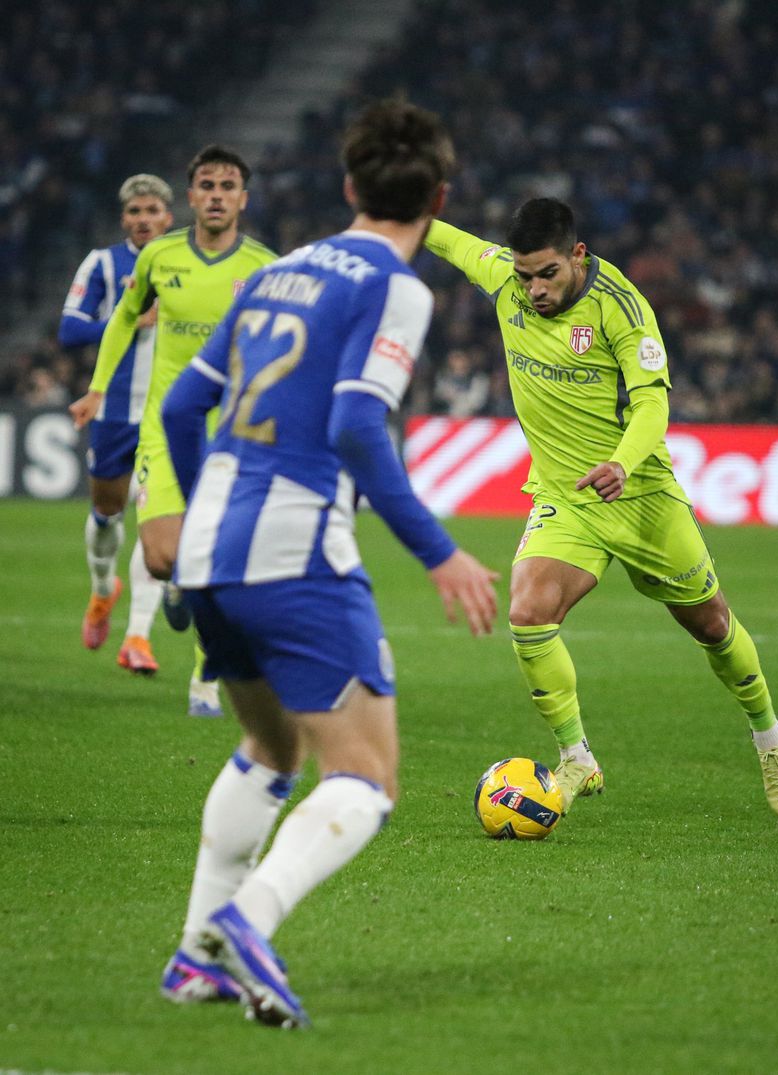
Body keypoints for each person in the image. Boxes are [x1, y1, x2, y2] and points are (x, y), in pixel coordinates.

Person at [157, 99, 498, 1026]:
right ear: (438, 196)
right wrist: (440, 553)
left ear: (348, 186)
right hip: (296, 550)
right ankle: (250, 919)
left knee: (269, 748)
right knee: (367, 776)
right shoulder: (397, 285)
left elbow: (184, 409)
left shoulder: (279, 272)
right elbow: (356, 424)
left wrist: (200, 526)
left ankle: (195, 958)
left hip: (211, 541)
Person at [424, 197, 778, 824]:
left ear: (577, 255)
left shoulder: (622, 306)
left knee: (711, 625)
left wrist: (623, 463)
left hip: (641, 495)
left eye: (547, 274)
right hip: (566, 496)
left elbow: (653, 403)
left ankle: (769, 737)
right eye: (523, 276)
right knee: (527, 612)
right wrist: (401, 206)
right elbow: (448, 241)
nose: (534, 290)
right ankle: (577, 758)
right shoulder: (507, 282)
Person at [70, 146, 277, 716]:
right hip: (165, 430)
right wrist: (96, 388)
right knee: (163, 559)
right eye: (206, 184)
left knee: (223, 558)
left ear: (242, 198)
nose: (216, 193)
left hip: (234, 433)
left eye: (227, 185)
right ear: (189, 198)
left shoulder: (263, 266)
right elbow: (122, 319)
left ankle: (205, 675)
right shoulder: (160, 256)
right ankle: (180, 589)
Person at [60, 174, 174, 673]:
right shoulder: (103, 263)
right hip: (113, 410)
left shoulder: (186, 264)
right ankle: (104, 588)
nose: (144, 220)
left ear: (169, 216)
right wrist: (127, 320)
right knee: (107, 512)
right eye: (135, 212)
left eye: (152, 211)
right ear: (124, 218)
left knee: (153, 520)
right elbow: (68, 329)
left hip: (168, 414)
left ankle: (137, 637)